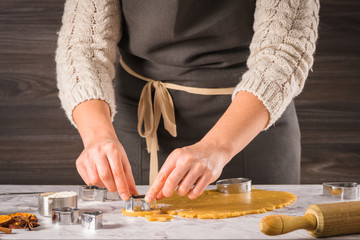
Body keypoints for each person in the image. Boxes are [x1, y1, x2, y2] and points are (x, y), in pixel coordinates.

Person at [55, 0, 320, 203]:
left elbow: (284, 50)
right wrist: (98, 136)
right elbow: (83, 44)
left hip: (250, 125)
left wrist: (217, 146)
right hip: (137, 127)